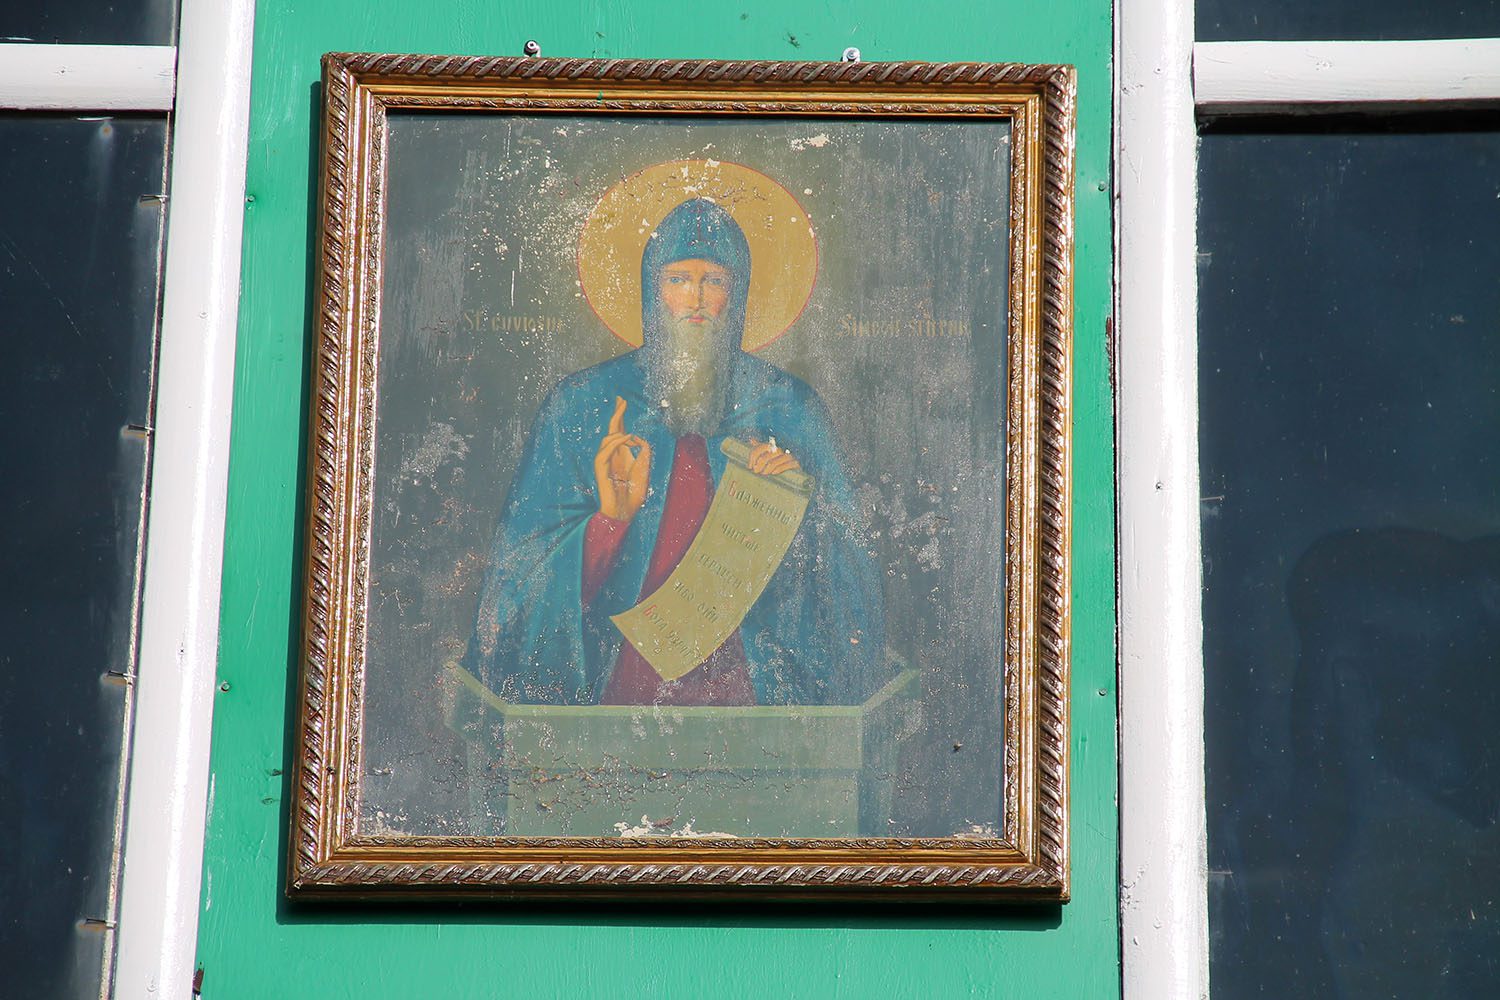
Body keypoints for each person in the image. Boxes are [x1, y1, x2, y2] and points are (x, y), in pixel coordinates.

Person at [463, 197, 883, 706]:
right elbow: (516, 588)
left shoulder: (789, 408)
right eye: (678, 279)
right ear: (652, 290)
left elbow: (850, 588)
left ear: (738, 294)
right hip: (619, 695)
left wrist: (792, 506)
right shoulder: (582, 403)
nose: (696, 299)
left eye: (715, 281)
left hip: (753, 698)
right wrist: (609, 522)